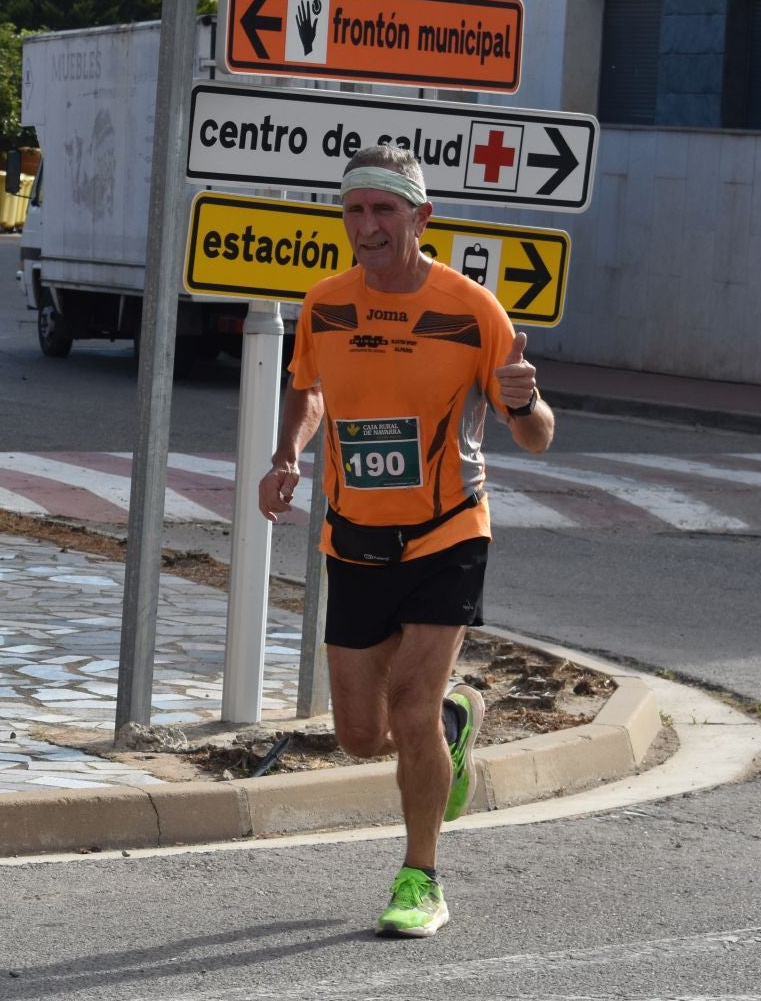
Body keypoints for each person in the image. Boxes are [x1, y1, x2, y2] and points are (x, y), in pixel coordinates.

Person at [257, 145, 554, 939]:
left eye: (384, 209)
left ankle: (422, 876)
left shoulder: (472, 310)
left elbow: (537, 437)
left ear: (421, 217)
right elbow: (308, 388)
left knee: (410, 706)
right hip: (354, 539)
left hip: (446, 532)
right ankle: (460, 723)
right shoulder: (326, 304)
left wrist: (524, 403)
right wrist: (288, 455)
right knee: (360, 736)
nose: (368, 225)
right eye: (355, 210)